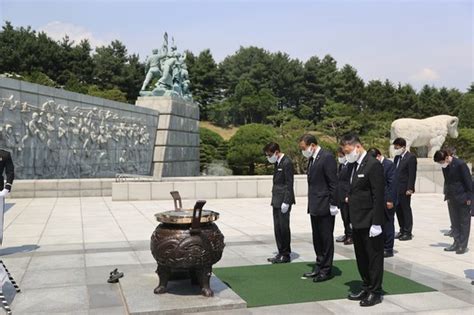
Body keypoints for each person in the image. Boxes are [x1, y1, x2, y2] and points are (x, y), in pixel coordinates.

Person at [340, 134, 386, 307]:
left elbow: (378, 195)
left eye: (348, 151)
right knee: (361, 257)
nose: (347, 154)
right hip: (357, 220)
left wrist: (377, 222)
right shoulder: (353, 165)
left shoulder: (373, 165)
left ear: (357, 147)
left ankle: (375, 291)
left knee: (373, 258)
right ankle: (366, 286)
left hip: (370, 221)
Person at [299, 134, 338, 282]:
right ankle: (319, 265)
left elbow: (333, 182)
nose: (303, 151)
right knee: (317, 238)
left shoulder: (326, 157)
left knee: (326, 238)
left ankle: (326, 269)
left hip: (325, 205)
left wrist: (334, 203)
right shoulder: (312, 159)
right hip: (315, 205)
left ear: (312, 145)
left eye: (304, 148)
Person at [433, 149, 472, 254]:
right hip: (452, 197)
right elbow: (448, 182)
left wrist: (469, 199)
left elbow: (469, 182)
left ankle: (462, 245)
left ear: (446, 158)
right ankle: (456, 242)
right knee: (454, 222)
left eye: (441, 162)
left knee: (464, 223)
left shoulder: (460, 164)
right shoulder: (445, 166)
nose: (441, 164)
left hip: (463, 197)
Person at [263, 142, 295, 264]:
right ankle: (280, 251)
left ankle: (286, 253)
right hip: (276, 200)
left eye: (269, 154)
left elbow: (289, 183)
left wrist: (287, 201)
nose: (268, 157)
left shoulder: (286, 162)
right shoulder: (278, 162)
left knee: (283, 227)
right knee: (277, 227)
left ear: (276, 152)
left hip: (283, 200)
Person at [368, 148, 396, 258]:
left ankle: (388, 248)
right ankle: (380, 245)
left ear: (379, 156)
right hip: (378, 200)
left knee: (388, 224)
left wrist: (390, 200)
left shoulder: (388, 165)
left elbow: (392, 184)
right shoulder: (374, 165)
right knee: (380, 223)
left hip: (387, 200)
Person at [392, 137, 417, 241]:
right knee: (398, 210)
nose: (395, 149)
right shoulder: (397, 158)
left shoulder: (410, 157)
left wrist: (410, 188)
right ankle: (402, 229)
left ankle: (408, 232)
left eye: (396, 147)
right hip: (396, 188)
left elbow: (412, 174)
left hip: (405, 188)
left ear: (403, 147)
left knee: (405, 209)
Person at [335, 147, 353, 245]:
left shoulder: (350, 166)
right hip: (341, 195)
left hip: (347, 196)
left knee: (349, 217)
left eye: (341, 156)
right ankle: (346, 233)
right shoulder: (341, 166)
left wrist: (348, 195)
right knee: (344, 217)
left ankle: (351, 235)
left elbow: (350, 182)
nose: (339, 158)